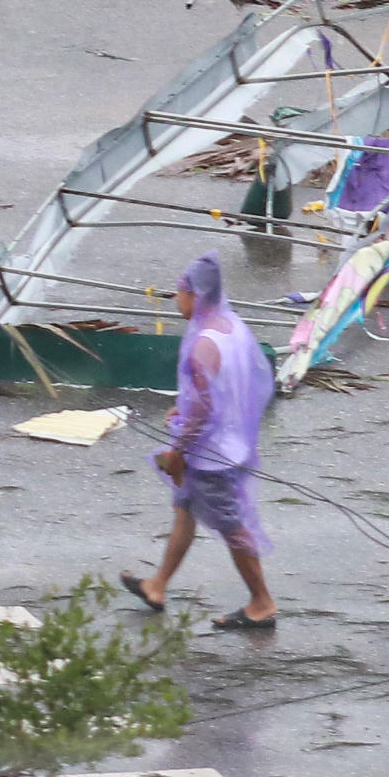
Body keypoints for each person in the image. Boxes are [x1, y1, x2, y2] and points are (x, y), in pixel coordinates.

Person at [121, 252, 277, 632]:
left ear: (193, 294)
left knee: (232, 527)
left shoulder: (202, 344)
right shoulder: (231, 326)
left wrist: (177, 452)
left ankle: (262, 602)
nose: (176, 299)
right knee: (185, 511)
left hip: (212, 456)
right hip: (227, 444)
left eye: (179, 291)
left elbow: (204, 408)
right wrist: (183, 405)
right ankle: (157, 585)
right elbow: (227, 388)